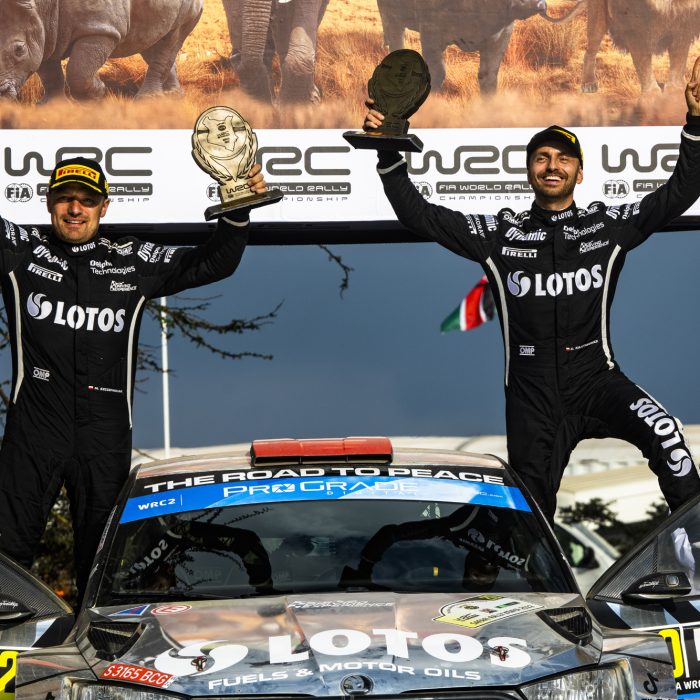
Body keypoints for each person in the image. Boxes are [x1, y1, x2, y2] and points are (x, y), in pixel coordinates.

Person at [364, 56, 700, 524]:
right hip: (532, 394)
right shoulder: (499, 233)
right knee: (528, 518)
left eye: (564, 159)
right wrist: (387, 151)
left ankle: (695, 541)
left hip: (595, 378)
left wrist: (696, 123)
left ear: (579, 173)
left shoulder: (608, 226)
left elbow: (679, 192)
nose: (552, 166)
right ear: (529, 171)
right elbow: (418, 215)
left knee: (667, 435)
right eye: (542, 158)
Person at [0, 156, 267, 600]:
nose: (75, 209)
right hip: (34, 433)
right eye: (65, 198)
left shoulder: (130, 260)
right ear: (48, 202)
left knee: (105, 570)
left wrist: (237, 210)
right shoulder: (21, 251)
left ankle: (94, 644)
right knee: (6, 559)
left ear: (104, 207)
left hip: (104, 439)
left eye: (87, 201)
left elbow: (214, 262)